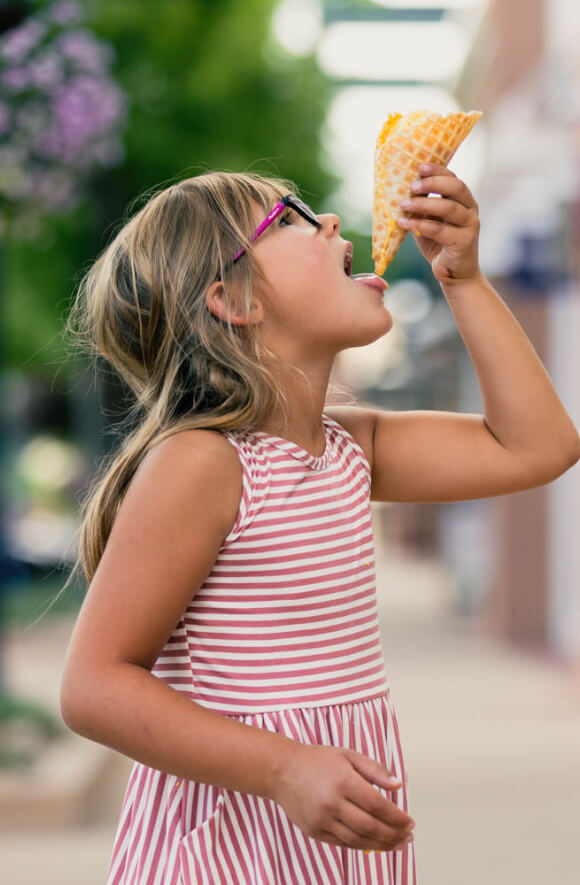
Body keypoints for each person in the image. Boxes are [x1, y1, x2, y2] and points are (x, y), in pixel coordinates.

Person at [59, 166, 580, 885]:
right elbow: (94, 686)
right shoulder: (202, 463)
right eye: (294, 219)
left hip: (328, 846)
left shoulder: (349, 447)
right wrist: (284, 767)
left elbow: (539, 446)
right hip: (229, 852)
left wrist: (464, 280)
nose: (331, 222)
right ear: (232, 300)